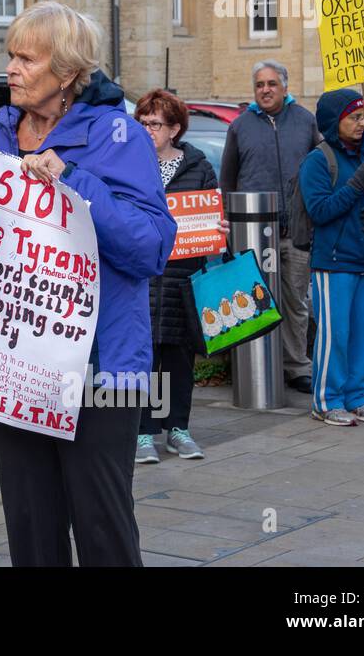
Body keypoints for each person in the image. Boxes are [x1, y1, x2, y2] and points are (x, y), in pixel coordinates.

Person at [0, 1, 175, 567]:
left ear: (69, 72)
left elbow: (150, 246)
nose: (12, 68)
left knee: (101, 523)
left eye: (28, 58)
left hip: (99, 368)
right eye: (10, 56)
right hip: (17, 364)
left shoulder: (117, 134)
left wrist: (72, 182)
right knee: (30, 525)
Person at [134, 90, 227, 465]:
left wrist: (218, 226)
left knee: (178, 357)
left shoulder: (199, 167)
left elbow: (209, 212)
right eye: (141, 122)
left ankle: (178, 429)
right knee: (142, 357)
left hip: (181, 278)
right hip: (140, 275)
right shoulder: (128, 164)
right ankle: (141, 433)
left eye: (154, 123)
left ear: (174, 128)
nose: (146, 129)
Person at [300, 89, 364, 427]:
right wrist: (356, 187)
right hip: (335, 262)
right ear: (334, 121)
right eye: (354, 118)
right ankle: (326, 400)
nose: (361, 124)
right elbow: (320, 210)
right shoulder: (318, 160)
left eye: (363, 117)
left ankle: (357, 396)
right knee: (336, 335)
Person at [220, 60, 321, 394]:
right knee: (251, 300)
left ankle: (296, 367)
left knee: (295, 302)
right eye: (260, 84)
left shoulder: (306, 122)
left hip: (296, 232)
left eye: (272, 84)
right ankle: (249, 365)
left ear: (285, 87)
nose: (265, 89)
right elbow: (228, 179)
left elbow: (319, 171)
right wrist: (229, 226)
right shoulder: (240, 126)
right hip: (251, 233)